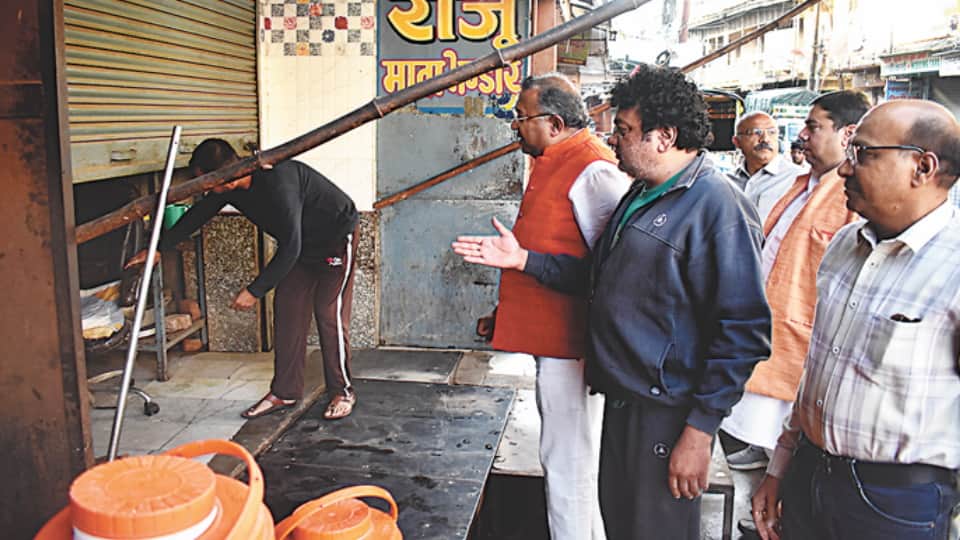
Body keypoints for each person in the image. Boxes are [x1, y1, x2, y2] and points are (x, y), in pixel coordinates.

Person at [453, 64, 771, 540]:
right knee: (622, 521)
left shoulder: (716, 206)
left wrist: (700, 430)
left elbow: (743, 332)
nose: (613, 140)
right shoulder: (642, 194)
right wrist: (524, 260)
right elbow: (598, 277)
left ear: (663, 137)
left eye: (623, 131)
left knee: (654, 528)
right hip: (626, 396)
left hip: (666, 410)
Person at [751, 99, 960, 540]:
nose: (845, 169)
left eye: (863, 153)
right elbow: (818, 370)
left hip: (894, 501)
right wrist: (781, 467)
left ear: (922, 167)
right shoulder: (847, 243)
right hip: (811, 473)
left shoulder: (954, 267)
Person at [481, 73, 630, 540]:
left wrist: (523, 260)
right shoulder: (555, 159)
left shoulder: (594, 170)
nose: (516, 127)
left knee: (567, 460)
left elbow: (613, 271)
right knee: (568, 457)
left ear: (554, 122)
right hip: (555, 339)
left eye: (522, 118)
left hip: (574, 342)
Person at [721, 91, 869, 539]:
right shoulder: (800, 185)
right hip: (767, 341)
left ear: (848, 135)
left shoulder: (851, 199)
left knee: (787, 473)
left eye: (813, 126)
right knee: (766, 463)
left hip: (803, 354)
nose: (800, 135)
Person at [127, 139, 360, 420]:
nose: (206, 189)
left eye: (207, 181)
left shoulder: (278, 182)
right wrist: (159, 249)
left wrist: (255, 290)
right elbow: (198, 215)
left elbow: (291, 246)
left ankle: (342, 391)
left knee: (328, 313)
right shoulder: (228, 187)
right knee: (287, 311)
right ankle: (284, 392)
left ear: (223, 174)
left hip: (334, 240)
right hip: (300, 247)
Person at [728, 112, 804, 222]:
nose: (765, 139)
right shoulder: (728, 182)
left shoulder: (798, 179)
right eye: (756, 132)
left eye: (772, 132)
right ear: (737, 142)